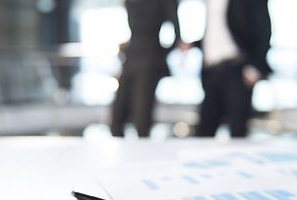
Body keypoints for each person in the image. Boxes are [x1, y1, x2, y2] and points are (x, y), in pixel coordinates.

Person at [195, 0, 273, 137]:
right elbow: (213, 32)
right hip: (210, 71)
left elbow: (263, 29)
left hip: (237, 70)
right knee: (204, 131)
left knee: (238, 131)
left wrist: (254, 68)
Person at [111, 0, 183, 137]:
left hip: (150, 60)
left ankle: (143, 156)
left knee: (142, 119)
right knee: (117, 118)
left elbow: (177, 36)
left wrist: (160, 54)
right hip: (131, 58)